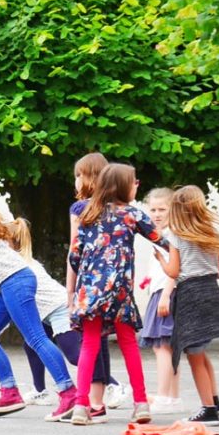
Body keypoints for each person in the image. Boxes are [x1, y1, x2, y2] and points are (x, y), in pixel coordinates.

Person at [67, 163, 166, 426]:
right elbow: (161, 240)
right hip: (120, 291)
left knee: (89, 345)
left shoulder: (88, 214)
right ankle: (141, 404)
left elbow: (74, 255)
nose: (137, 185)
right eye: (134, 181)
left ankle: (81, 406)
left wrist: (83, 284)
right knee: (128, 344)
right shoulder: (133, 215)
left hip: (90, 291)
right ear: (123, 185)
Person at [0, 184, 78, 421]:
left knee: (36, 338)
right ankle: (10, 392)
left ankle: (69, 393)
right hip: (8, 283)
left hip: (15, 280)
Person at [161, 186, 219, 425]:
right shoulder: (211, 233)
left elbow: (174, 271)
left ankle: (208, 410)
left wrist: (161, 260)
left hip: (190, 295)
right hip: (212, 293)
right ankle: (214, 400)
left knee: (194, 353)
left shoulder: (175, 235)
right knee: (201, 351)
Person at [66, 152, 126, 418]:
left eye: (79, 175)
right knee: (101, 339)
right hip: (114, 282)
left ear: (91, 177)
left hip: (88, 282)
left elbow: (74, 251)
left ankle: (89, 400)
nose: (76, 181)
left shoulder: (80, 209)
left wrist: (70, 289)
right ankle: (97, 400)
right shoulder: (118, 208)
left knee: (88, 339)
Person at [139, 188, 180, 414]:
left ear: (173, 210)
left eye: (162, 209)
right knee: (168, 347)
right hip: (161, 289)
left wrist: (165, 294)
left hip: (166, 293)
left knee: (162, 347)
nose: (156, 214)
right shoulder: (161, 234)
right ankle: (172, 397)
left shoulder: (170, 235)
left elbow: (176, 268)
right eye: (152, 209)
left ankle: (165, 396)